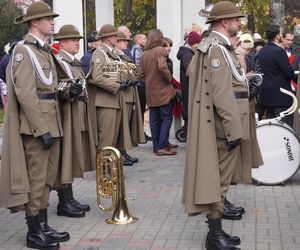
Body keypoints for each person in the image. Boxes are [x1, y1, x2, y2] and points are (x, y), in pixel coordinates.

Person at [0, 2, 79, 249]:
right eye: (48, 19)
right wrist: (40, 128)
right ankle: (33, 231)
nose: (53, 22)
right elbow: (25, 94)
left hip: (52, 121)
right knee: (36, 178)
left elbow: (51, 88)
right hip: (38, 125)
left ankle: (43, 225)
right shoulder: (24, 52)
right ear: (35, 22)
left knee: (47, 178)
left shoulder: (44, 51)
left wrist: (68, 91)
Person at [182, 1, 250, 249]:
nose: (239, 23)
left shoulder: (220, 47)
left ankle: (217, 231)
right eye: (236, 19)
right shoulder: (217, 50)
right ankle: (214, 235)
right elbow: (221, 94)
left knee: (220, 180)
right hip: (226, 126)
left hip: (230, 122)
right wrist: (234, 130)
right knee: (218, 182)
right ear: (225, 22)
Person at [54, 24, 96, 217]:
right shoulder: (60, 61)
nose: (78, 43)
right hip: (68, 113)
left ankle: (69, 198)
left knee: (73, 155)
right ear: (62, 42)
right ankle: (64, 201)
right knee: (67, 156)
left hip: (79, 111)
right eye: (73, 40)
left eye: (78, 39)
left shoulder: (74, 61)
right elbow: (60, 88)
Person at [87, 24, 130, 161]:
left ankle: (110, 168)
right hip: (105, 101)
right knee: (106, 139)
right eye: (114, 35)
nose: (117, 38)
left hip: (113, 100)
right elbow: (97, 77)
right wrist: (117, 86)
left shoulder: (111, 53)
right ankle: (104, 170)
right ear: (107, 37)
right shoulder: (100, 53)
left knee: (113, 139)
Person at [140, 29, 176, 156]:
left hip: (150, 91)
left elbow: (142, 74)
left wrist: (150, 81)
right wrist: (169, 78)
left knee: (154, 119)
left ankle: (157, 146)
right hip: (163, 90)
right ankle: (162, 146)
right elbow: (162, 66)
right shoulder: (160, 50)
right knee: (167, 117)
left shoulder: (145, 53)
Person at [113, 32, 146, 164]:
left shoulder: (123, 55)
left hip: (129, 94)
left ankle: (123, 152)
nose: (127, 43)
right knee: (121, 127)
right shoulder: (114, 55)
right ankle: (120, 153)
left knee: (125, 126)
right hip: (122, 95)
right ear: (116, 41)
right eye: (124, 41)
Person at [257, 25, 295, 127]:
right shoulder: (279, 51)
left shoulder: (263, 50)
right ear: (278, 36)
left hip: (268, 97)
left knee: (272, 128)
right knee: (284, 129)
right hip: (281, 97)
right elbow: (289, 73)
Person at [177, 31, 201, 140]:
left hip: (188, 88)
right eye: (198, 43)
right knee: (188, 111)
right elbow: (190, 71)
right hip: (188, 88)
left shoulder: (188, 53)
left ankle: (187, 134)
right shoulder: (187, 54)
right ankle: (188, 136)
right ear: (193, 43)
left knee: (188, 110)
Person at [131, 33, 151, 141]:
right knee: (140, 110)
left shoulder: (141, 51)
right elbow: (138, 68)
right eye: (143, 39)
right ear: (137, 41)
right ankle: (139, 134)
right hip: (140, 84)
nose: (146, 40)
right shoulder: (136, 51)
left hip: (142, 84)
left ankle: (141, 133)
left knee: (142, 110)